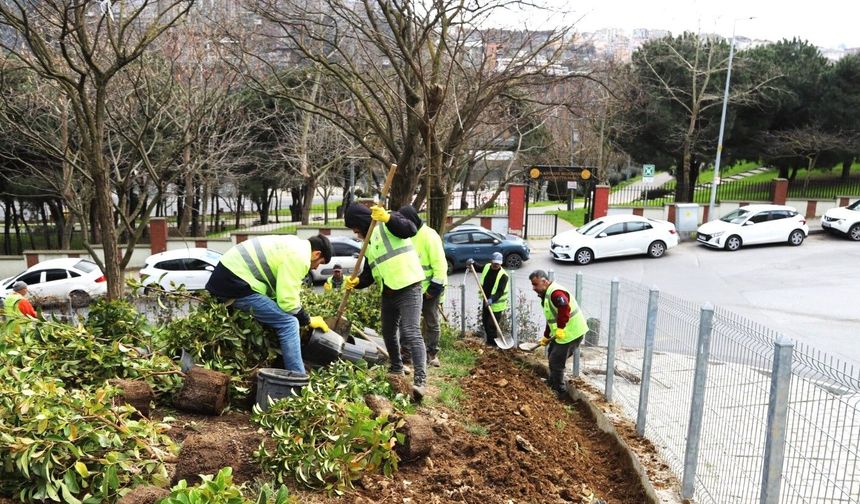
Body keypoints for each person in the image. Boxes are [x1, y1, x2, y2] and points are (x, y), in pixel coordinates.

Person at [205, 234, 333, 374]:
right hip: (235, 285)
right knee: (289, 323)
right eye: (320, 263)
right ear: (316, 254)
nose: (315, 268)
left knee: (284, 316)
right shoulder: (300, 257)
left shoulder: (294, 243)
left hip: (229, 278)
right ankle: (298, 377)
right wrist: (307, 320)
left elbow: (281, 292)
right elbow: (287, 302)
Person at [343, 202, 427, 398]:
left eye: (355, 229)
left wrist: (388, 218)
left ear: (361, 222)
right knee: (388, 332)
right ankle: (396, 369)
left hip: (409, 286)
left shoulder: (388, 223)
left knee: (411, 332)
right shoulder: (369, 244)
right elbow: (370, 275)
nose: (356, 234)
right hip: (388, 292)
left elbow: (410, 229)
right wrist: (355, 282)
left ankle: (420, 382)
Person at [398, 205, 447, 367]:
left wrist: (432, 290)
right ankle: (406, 355)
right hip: (411, 288)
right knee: (408, 322)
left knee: (431, 320)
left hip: (429, 289)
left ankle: (431, 353)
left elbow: (440, 267)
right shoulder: (406, 235)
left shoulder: (429, 236)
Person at [529, 270, 588, 398]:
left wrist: (561, 328)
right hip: (562, 332)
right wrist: (546, 335)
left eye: (535, 284)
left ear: (544, 282)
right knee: (551, 355)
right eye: (533, 285)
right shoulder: (546, 294)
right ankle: (552, 383)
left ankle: (560, 392)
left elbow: (564, 308)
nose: (533, 288)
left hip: (571, 332)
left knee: (556, 361)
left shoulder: (556, 293)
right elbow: (551, 317)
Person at [475, 252, 509, 347]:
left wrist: (492, 299)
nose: (495, 265)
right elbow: (478, 267)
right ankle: (489, 342)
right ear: (491, 261)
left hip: (496, 304)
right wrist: (472, 263)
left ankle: (493, 344)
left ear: (501, 263)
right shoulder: (487, 267)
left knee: (492, 325)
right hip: (486, 300)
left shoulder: (503, 276)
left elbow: (500, 291)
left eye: (498, 264)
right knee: (485, 321)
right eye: (494, 263)